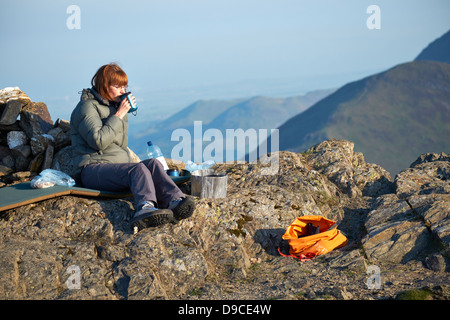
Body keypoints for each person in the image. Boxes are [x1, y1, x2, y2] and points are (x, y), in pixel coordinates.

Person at [70, 63, 195, 231]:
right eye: (118, 86)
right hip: (93, 170)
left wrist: (119, 113)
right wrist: (119, 115)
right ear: (104, 86)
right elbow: (98, 141)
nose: (123, 91)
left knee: (152, 164)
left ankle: (174, 201)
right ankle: (144, 209)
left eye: (125, 87)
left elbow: (119, 146)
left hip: (115, 170)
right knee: (137, 170)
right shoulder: (87, 107)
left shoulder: (113, 106)